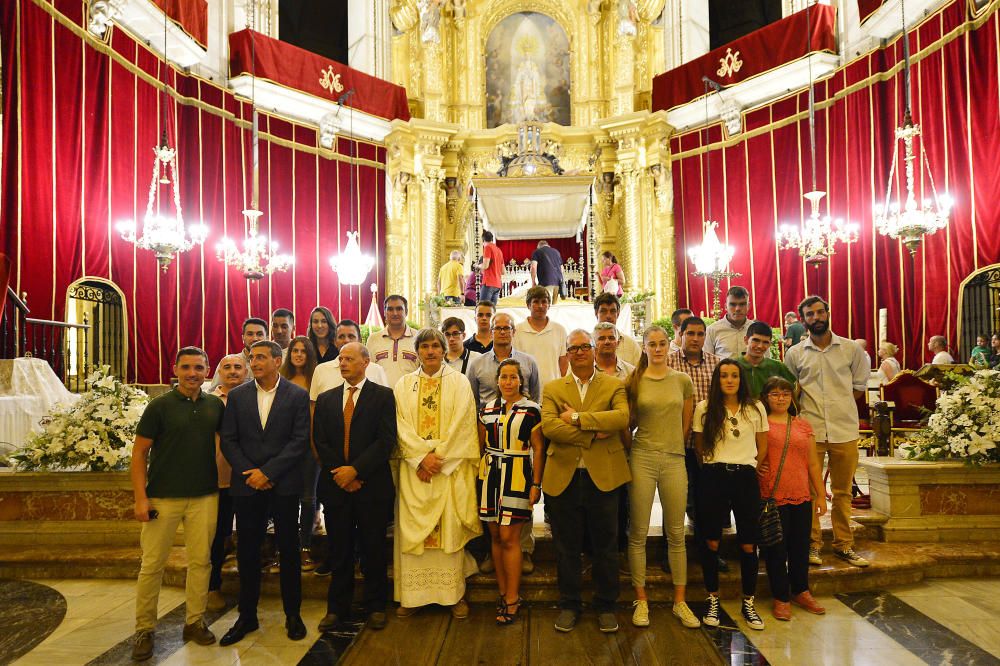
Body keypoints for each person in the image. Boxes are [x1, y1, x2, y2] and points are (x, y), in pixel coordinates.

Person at [130, 347, 224, 661]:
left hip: (205, 496)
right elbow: (139, 454)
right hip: (162, 497)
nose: (192, 373)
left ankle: (194, 621)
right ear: (176, 369)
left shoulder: (214, 405)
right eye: (186, 367)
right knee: (152, 565)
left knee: (201, 562)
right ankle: (145, 628)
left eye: (199, 367)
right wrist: (141, 498)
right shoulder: (159, 407)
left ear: (208, 369)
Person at [218, 341, 311, 646]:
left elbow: (299, 441)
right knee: (247, 552)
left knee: (288, 550)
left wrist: (269, 473)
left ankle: (293, 614)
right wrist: (252, 474)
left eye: (260, 357)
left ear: (276, 359)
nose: (254, 362)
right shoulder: (238, 396)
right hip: (247, 486)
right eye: (252, 357)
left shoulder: (297, 395)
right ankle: (247, 616)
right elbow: (229, 440)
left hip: (283, 485)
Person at [541, 329, 630, 634]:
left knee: (605, 545)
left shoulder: (613, 384)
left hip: (604, 476)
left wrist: (577, 418)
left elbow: (620, 419)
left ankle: (606, 605)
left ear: (594, 351)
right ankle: (569, 603)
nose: (579, 352)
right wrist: (595, 429)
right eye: (573, 348)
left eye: (584, 347)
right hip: (564, 476)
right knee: (567, 547)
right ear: (566, 354)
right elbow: (550, 427)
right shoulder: (553, 388)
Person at [393, 328, 481, 618]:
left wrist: (437, 459)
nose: (430, 351)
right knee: (413, 532)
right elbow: (399, 426)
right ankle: (411, 596)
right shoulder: (403, 385)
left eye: (435, 346)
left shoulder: (459, 383)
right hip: (414, 472)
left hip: (447, 471)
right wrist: (420, 458)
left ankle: (452, 595)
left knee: (449, 532)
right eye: (425, 346)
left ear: (444, 349)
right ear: (416, 351)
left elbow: (464, 424)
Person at [313, 343, 398, 632]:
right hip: (337, 487)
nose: (343, 363)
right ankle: (337, 608)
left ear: (365, 362)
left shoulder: (383, 396)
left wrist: (356, 471)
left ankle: (375, 606)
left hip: (371, 486)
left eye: (349, 358)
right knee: (340, 550)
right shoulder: (326, 399)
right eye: (341, 359)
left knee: (373, 548)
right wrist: (343, 474)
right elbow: (320, 441)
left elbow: (386, 441)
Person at [785, 295, 870, 569]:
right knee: (810, 491)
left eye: (820, 312)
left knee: (843, 491)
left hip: (844, 429)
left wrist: (839, 406)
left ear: (828, 313)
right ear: (804, 320)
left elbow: (858, 388)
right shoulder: (795, 353)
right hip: (811, 431)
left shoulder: (851, 350)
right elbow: (791, 391)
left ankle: (844, 544)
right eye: (810, 314)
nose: (816, 318)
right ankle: (812, 544)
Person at [625, 325, 700, 629]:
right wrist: (635, 451)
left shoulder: (682, 381)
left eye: (662, 343)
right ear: (643, 347)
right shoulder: (634, 381)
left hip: (673, 459)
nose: (657, 349)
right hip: (642, 457)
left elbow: (686, 424)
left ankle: (679, 600)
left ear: (670, 345)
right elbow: (627, 423)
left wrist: (674, 449)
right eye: (651, 344)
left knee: (676, 531)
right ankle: (640, 598)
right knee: (638, 531)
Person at [692, 359, 769, 631]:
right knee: (711, 541)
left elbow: (763, 445)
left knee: (749, 543)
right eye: (724, 375)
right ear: (717, 379)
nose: (729, 380)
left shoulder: (755, 407)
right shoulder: (704, 409)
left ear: (741, 379)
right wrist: (715, 470)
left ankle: (748, 602)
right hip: (714, 476)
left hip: (745, 477)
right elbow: (699, 448)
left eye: (734, 375)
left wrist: (750, 467)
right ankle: (712, 598)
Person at [467, 311, 541, 574]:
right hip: (491, 435)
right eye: (497, 327)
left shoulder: (529, 362)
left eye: (506, 328)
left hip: (519, 439)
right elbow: (472, 400)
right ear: (490, 330)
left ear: (513, 331)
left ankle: (525, 550)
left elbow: (536, 398)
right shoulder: (477, 364)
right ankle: (493, 549)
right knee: (491, 507)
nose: (501, 331)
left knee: (521, 505)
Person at [477, 358, 545, 625]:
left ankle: (513, 598)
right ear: (497, 380)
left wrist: (536, 484)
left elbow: (538, 448)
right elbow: (480, 444)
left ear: (520, 380)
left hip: (517, 473)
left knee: (509, 536)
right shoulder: (487, 409)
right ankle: (503, 592)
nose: (507, 381)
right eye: (503, 377)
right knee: (494, 534)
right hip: (491, 473)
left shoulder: (531, 410)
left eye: (512, 377)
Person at [758, 377, 828, 621]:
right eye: (775, 394)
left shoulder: (802, 425)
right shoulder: (761, 424)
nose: (780, 398)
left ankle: (801, 590)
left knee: (800, 547)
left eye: (785, 393)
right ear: (766, 398)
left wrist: (820, 494)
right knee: (776, 548)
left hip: (800, 493)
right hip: (771, 494)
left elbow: (812, 462)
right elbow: (751, 455)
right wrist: (756, 468)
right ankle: (781, 596)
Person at [666, 316, 727, 573]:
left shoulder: (716, 364)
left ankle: (709, 552)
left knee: (707, 502)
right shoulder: (667, 362)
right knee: (675, 502)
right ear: (680, 334)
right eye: (690, 333)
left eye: (700, 334)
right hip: (674, 442)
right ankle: (672, 555)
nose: (695, 338)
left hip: (707, 445)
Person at [207, 353, 247, 613]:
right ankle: (212, 587)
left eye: (238, 367)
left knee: (248, 535)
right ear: (219, 371)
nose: (233, 371)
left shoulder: (253, 397)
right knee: (218, 536)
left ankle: (249, 587)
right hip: (218, 479)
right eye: (227, 367)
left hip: (248, 479)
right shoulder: (209, 402)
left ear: (246, 372)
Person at [279, 336, 321, 571]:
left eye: (303, 351)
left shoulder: (315, 378)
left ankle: (305, 547)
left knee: (308, 497)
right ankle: (282, 549)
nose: (298, 355)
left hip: (308, 445)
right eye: (294, 350)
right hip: (284, 446)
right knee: (285, 497)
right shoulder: (281, 378)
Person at [311, 320, 390, 399]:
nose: (346, 340)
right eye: (341, 337)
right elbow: (313, 405)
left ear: (360, 340)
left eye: (351, 336)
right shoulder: (321, 370)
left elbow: (384, 400)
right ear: (335, 342)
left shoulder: (376, 370)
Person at [515, 286, 568, 386]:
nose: (540, 306)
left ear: (549, 305)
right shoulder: (517, 331)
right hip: (526, 391)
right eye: (535, 302)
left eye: (544, 302)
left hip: (553, 389)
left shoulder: (559, 330)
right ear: (528, 305)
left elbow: (563, 362)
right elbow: (515, 363)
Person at [367, 295, 419, 388]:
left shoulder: (418, 338)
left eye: (399, 309)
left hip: (410, 397)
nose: (395, 313)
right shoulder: (373, 339)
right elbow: (368, 371)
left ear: (406, 312)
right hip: (381, 399)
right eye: (390, 309)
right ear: (384, 312)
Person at [735, 322, 797, 398]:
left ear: (770, 344)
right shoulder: (734, 366)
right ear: (746, 340)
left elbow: (794, 388)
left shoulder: (777, 367)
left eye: (765, 342)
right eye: (756, 340)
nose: (760, 346)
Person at [209, 318, 266, 389]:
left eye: (259, 334)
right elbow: (213, 391)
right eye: (250, 334)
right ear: (243, 338)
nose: (255, 338)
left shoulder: (272, 363)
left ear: (266, 337)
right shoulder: (228, 362)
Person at [704, 286, 754, 359]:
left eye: (742, 304)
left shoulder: (756, 329)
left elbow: (765, 362)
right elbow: (707, 362)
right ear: (725, 307)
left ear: (748, 306)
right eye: (733, 304)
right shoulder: (712, 330)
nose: (737, 309)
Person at [594, 292, 642, 366]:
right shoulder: (586, 343)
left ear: (618, 314)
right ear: (596, 313)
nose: (608, 316)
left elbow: (641, 373)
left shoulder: (631, 345)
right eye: (604, 311)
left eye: (612, 311)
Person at [480, 231, 504, 305]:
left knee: (483, 308)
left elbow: (485, 265)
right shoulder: (499, 250)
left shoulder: (487, 247)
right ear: (492, 239)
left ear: (483, 241)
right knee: (492, 310)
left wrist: (478, 266)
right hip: (497, 284)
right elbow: (503, 271)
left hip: (489, 283)